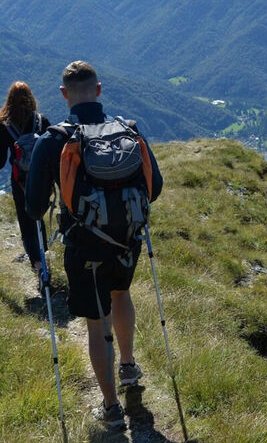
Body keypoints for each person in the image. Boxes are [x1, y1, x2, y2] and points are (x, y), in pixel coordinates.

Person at [26, 61, 163, 428]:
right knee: (121, 294)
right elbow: (156, 186)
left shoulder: (54, 140)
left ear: (63, 94)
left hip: (85, 246)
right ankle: (129, 367)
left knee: (94, 322)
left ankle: (111, 407)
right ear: (99, 90)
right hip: (127, 241)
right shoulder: (128, 130)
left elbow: (34, 206)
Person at [0, 81, 50, 285]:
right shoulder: (42, 121)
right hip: (41, 178)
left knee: (26, 221)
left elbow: (0, 160)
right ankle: (44, 257)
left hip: (19, 180)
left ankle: (38, 266)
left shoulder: (4, 126)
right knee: (38, 217)